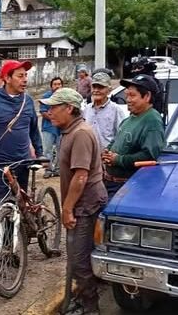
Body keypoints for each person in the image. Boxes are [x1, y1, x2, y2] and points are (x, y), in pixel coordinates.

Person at [40, 87, 107, 315]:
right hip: (82, 203)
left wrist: (67, 209)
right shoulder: (70, 131)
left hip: (86, 204)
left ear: (69, 108)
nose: (50, 112)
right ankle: (81, 299)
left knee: (79, 259)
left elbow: (81, 176)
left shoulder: (80, 133)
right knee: (77, 257)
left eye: (54, 108)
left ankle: (91, 308)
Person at [0, 60, 43, 279]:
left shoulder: (28, 101)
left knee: (19, 208)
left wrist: (40, 152)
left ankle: (14, 248)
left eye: (25, 76)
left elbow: (34, 129)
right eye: (20, 75)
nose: (25, 80)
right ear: (7, 78)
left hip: (23, 163)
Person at [102, 74, 166, 200]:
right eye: (127, 95)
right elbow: (117, 140)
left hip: (128, 188)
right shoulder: (129, 119)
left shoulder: (152, 120)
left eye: (132, 95)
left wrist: (119, 160)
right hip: (111, 183)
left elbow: (150, 155)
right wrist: (107, 152)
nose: (128, 100)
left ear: (147, 96)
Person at [83, 72, 125, 150]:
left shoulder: (116, 110)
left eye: (100, 87)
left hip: (106, 157)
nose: (96, 90)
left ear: (109, 90)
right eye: (94, 87)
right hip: (88, 155)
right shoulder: (87, 109)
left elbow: (121, 136)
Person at [40, 76, 63, 178]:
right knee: (47, 150)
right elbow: (43, 112)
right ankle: (48, 169)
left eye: (59, 84)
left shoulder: (65, 97)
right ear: (51, 86)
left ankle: (58, 169)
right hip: (48, 128)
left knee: (60, 149)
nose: (57, 86)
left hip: (62, 129)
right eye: (55, 84)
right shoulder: (46, 97)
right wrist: (56, 118)